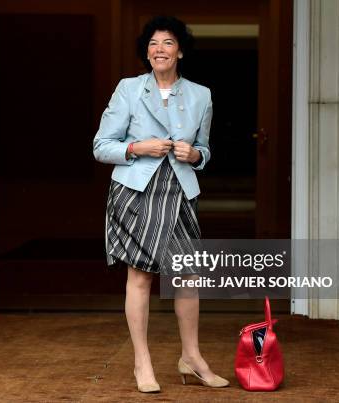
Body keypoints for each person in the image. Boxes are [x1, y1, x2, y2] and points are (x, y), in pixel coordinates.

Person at [93, 16, 230, 393]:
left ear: (180, 50)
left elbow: (205, 150)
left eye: (167, 43)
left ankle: (192, 358)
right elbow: (101, 146)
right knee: (140, 276)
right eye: (153, 44)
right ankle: (142, 362)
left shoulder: (201, 95)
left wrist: (195, 156)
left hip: (180, 193)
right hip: (136, 192)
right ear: (146, 52)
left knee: (187, 277)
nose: (159, 49)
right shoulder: (129, 89)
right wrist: (138, 148)